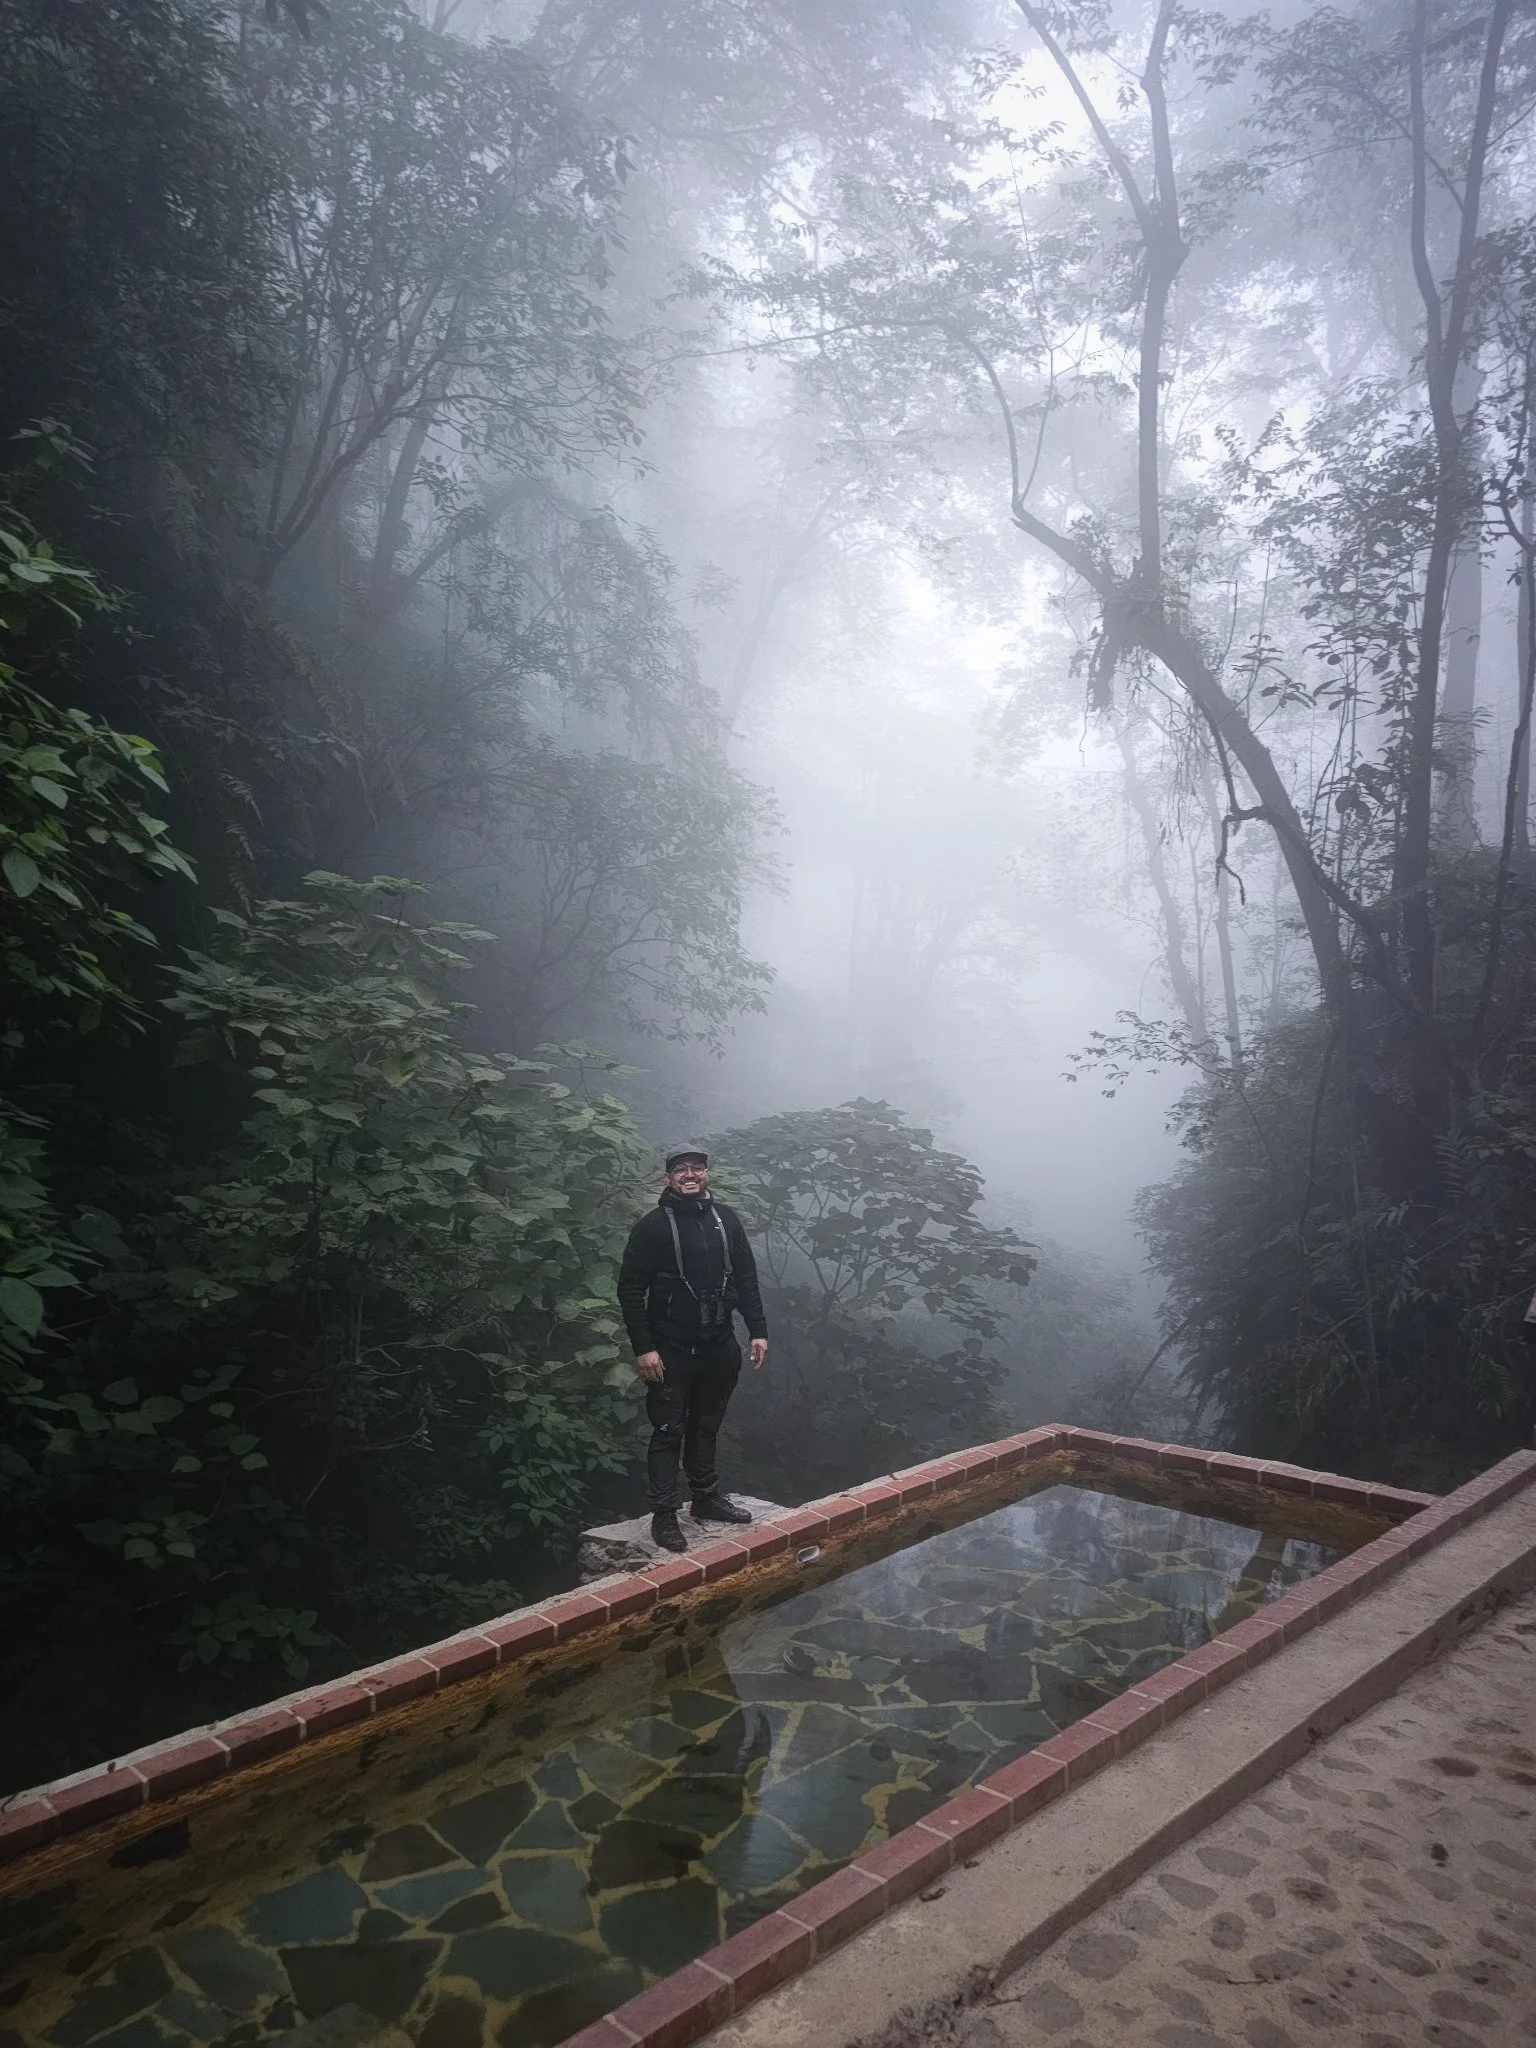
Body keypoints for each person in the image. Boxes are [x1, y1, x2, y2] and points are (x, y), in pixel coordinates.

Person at [617, 1144, 768, 1553]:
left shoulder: (726, 1220)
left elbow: (747, 1277)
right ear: (667, 1179)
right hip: (670, 1349)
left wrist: (757, 1329)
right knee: (669, 1430)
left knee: (707, 1424)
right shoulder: (651, 1227)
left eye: (697, 1168)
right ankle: (664, 1516)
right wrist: (644, 1348)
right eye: (680, 1169)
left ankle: (705, 1499)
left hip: (719, 1344)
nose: (689, 1175)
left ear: (706, 1175)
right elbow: (631, 1290)